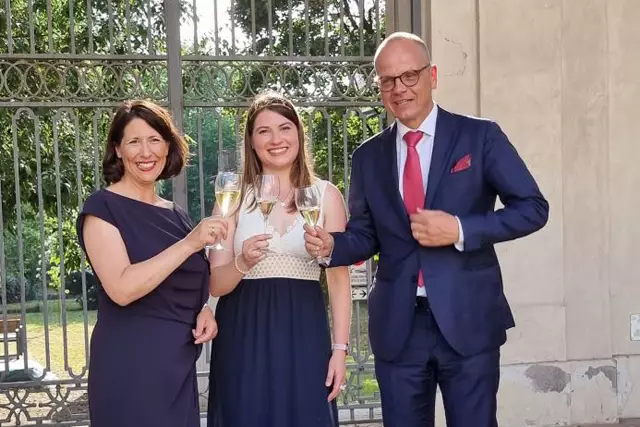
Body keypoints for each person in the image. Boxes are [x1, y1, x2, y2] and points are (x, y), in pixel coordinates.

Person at [303, 32, 550, 427]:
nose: (399, 88)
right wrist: (331, 245)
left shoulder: (480, 136)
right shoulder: (368, 156)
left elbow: (534, 209)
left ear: (432, 75)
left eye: (409, 76)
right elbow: (366, 234)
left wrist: (460, 229)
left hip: (468, 320)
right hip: (399, 328)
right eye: (388, 80)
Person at [76, 100, 227, 427]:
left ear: (168, 146)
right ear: (117, 150)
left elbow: (188, 280)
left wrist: (205, 310)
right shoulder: (102, 209)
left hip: (177, 367)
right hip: (130, 367)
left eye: (155, 139)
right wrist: (189, 243)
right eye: (133, 141)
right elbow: (123, 288)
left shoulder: (176, 214)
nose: (146, 152)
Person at [206, 91, 351, 427]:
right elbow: (215, 282)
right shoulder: (232, 198)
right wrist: (242, 262)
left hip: (304, 332)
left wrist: (340, 349)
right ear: (251, 141)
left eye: (285, 128)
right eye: (263, 131)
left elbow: (338, 279)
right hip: (243, 334)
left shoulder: (326, 196)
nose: (276, 139)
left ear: (298, 135)